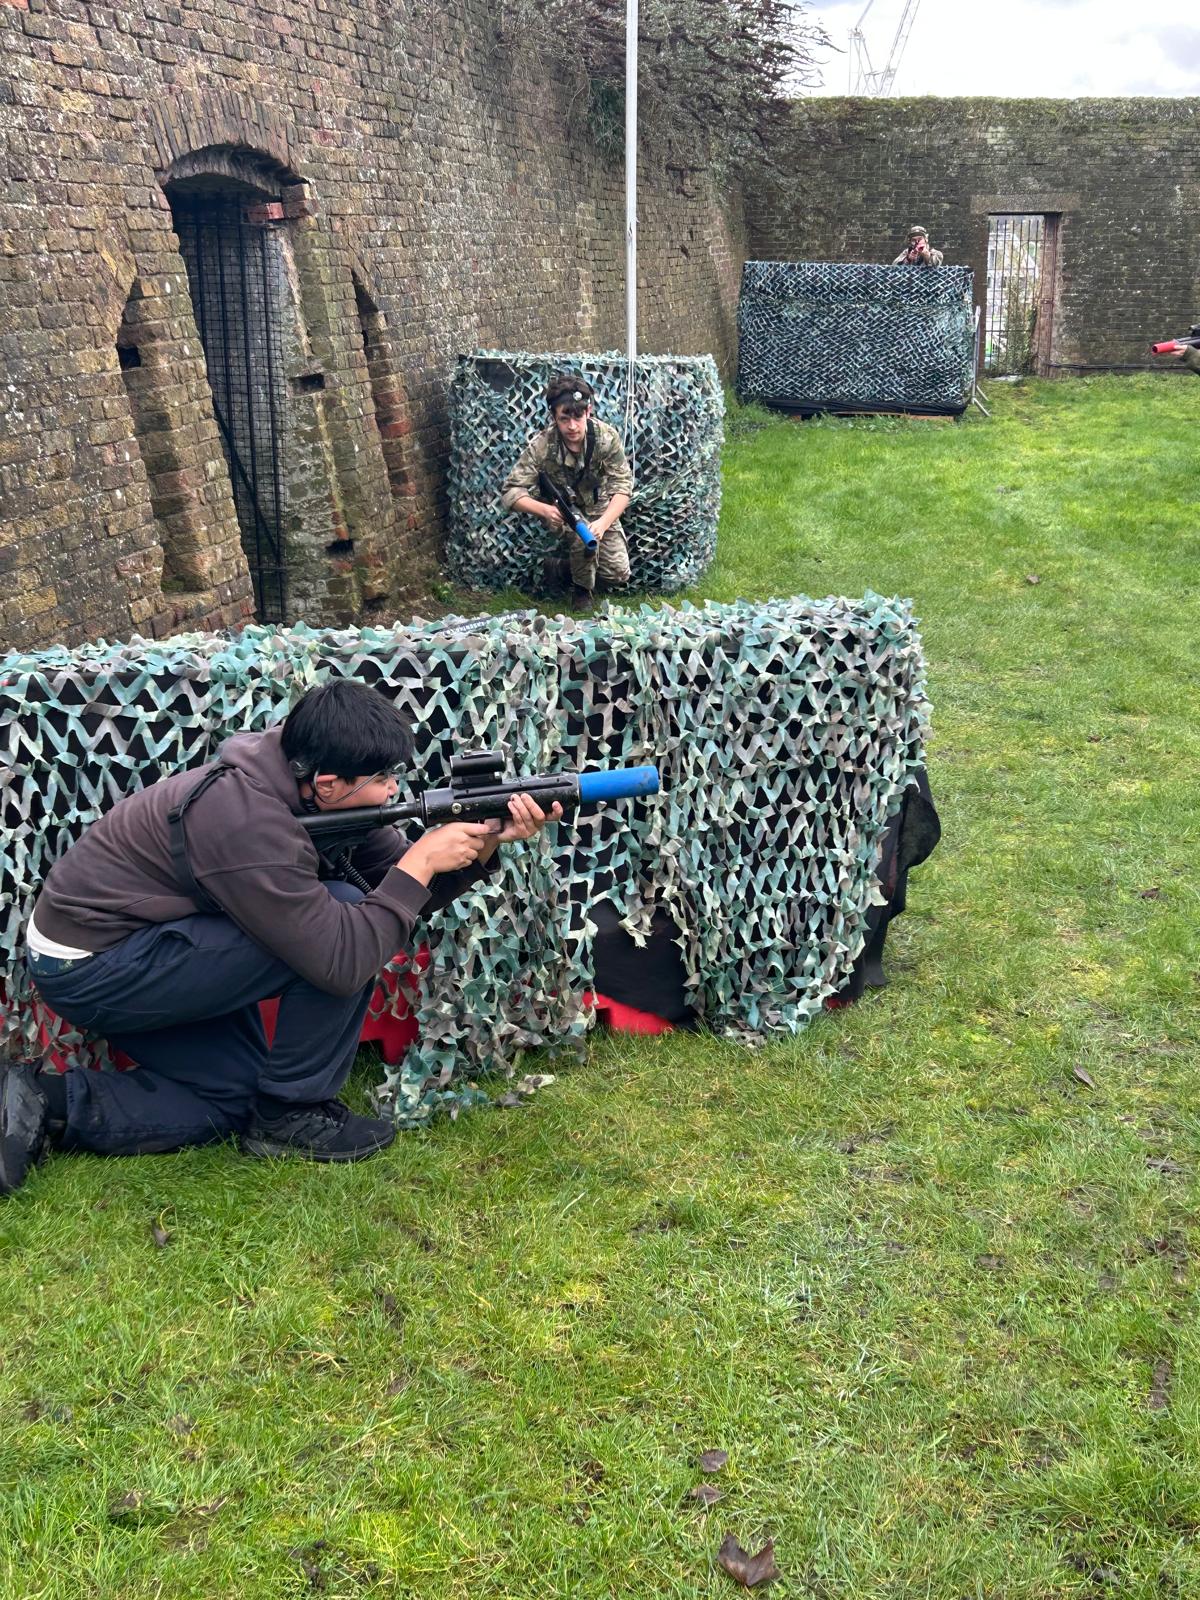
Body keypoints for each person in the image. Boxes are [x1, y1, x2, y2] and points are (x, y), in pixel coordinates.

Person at [0, 679, 561, 1192]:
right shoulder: (246, 819)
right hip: (92, 967)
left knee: (239, 1103)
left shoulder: (314, 784)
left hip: (150, 946)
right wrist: (418, 863)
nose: (393, 791)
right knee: (341, 921)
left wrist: (476, 849)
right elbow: (344, 958)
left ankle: (42, 1101)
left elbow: (390, 891)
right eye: (383, 780)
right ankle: (294, 1113)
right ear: (326, 783)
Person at [500, 372, 633, 608]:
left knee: (618, 574)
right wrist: (544, 510)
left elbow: (622, 486)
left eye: (578, 417)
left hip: (598, 504)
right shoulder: (542, 446)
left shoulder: (605, 438)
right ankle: (582, 592)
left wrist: (603, 522)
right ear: (554, 417)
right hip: (560, 510)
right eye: (564, 419)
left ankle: (560, 569)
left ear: (588, 412)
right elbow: (511, 492)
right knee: (584, 542)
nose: (572, 426)